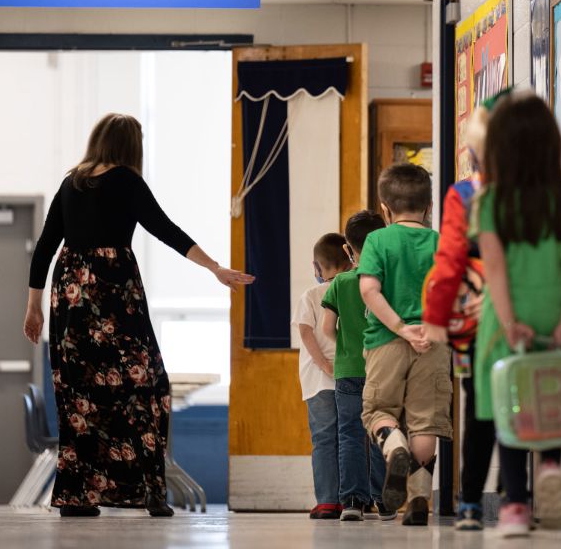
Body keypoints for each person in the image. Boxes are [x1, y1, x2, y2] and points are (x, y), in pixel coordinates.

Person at [24, 113, 254, 519]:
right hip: (114, 293)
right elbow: (165, 229)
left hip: (71, 294)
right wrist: (214, 267)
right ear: (131, 145)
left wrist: (32, 307)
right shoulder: (126, 180)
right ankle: (146, 491)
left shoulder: (71, 181)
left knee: (80, 394)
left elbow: (44, 247)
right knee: (147, 386)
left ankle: (80, 495)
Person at [472, 91, 561, 538]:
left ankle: (515, 503)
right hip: (552, 308)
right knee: (550, 395)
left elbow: (495, 268)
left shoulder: (490, 203)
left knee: (510, 404)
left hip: (508, 314)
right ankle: (552, 468)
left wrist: (506, 320)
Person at [421, 91, 504, 531]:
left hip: (476, 321)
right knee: (522, 398)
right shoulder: (539, 192)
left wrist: (436, 316)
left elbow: (450, 259)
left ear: (474, 151)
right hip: (530, 312)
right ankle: (519, 499)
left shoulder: (466, 194)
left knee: (479, 407)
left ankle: (470, 501)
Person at [358, 163, 446, 526]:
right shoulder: (440, 242)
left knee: (378, 410)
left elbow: (368, 289)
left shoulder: (377, 240)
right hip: (433, 342)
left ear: (384, 208)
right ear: (428, 206)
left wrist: (399, 327)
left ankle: (394, 446)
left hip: (385, 342)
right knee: (426, 421)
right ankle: (420, 500)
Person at [319, 211, 393, 522]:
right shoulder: (388, 282)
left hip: (348, 369)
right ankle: (384, 500)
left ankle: (352, 500)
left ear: (348, 249)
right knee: (383, 431)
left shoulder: (341, 283)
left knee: (349, 433)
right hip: (383, 369)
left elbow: (326, 329)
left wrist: (347, 344)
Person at [292, 233, 351, 521]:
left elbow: (305, 332)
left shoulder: (311, 295)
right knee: (349, 437)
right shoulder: (354, 290)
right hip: (350, 376)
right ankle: (351, 499)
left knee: (324, 439)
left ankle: (328, 501)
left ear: (317, 267)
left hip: (319, 381)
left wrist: (324, 365)